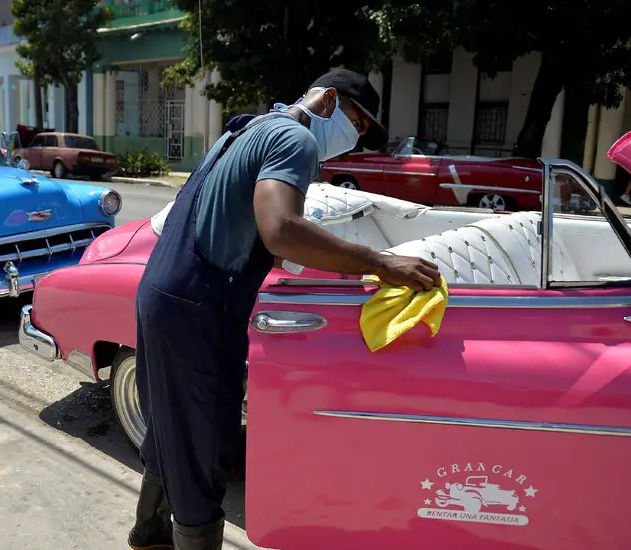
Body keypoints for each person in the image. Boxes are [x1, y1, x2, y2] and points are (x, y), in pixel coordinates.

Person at [127, 69, 441, 550]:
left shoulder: (247, 129)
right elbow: (282, 229)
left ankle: (149, 531)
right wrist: (382, 262)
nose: (354, 142)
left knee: (171, 426)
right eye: (356, 124)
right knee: (204, 447)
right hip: (199, 307)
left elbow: (240, 222)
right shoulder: (296, 140)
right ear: (329, 100)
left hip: (161, 292)